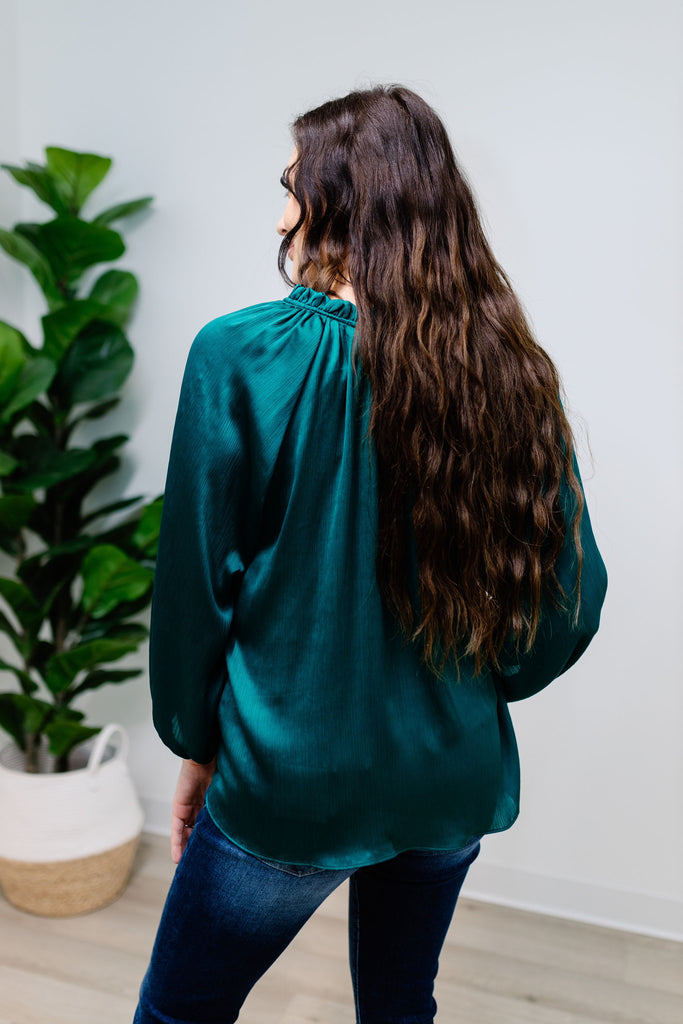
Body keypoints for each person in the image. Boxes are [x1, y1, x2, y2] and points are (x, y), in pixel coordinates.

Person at [133, 85, 607, 1024]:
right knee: (398, 1007)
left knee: (178, 1016)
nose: (280, 217)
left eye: (291, 189)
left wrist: (195, 744)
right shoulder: (506, 369)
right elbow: (569, 600)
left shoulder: (238, 356)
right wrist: (467, 698)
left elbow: (194, 591)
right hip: (446, 775)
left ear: (343, 202)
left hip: (290, 778)